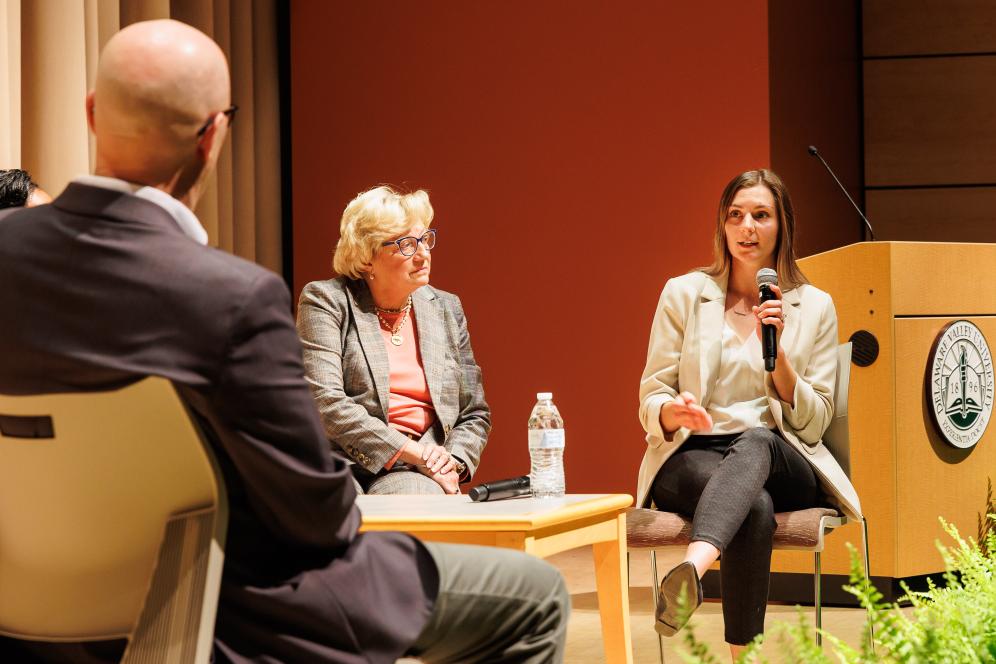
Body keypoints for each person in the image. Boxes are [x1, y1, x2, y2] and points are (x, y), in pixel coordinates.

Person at [0, 19, 568, 664]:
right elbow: (314, 516)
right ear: (213, 137)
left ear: (94, 115)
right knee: (535, 595)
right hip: (211, 603)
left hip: (20, 598)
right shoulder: (229, 295)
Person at [636, 169, 860, 659]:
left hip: (781, 453)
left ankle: (691, 569)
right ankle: (745, 657)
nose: (747, 227)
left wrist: (777, 359)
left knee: (757, 442)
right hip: (695, 453)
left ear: (783, 227)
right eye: (735, 215)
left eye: (761, 215)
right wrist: (673, 411)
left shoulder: (814, 306)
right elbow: (650, 398)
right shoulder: (683, 293)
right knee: (751, 507)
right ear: (722, 224)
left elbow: (815, 421)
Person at [297, 186, 489, 495]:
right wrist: (417, 454)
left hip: (417, 471)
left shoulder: (446, 308)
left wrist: (449, 463)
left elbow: (474, 413)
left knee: (412, 492)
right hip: (345, 464)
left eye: (425, 239)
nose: (423, 253)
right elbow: (327, 404)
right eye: (407, 244)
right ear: (366, 256)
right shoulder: (327, 301)